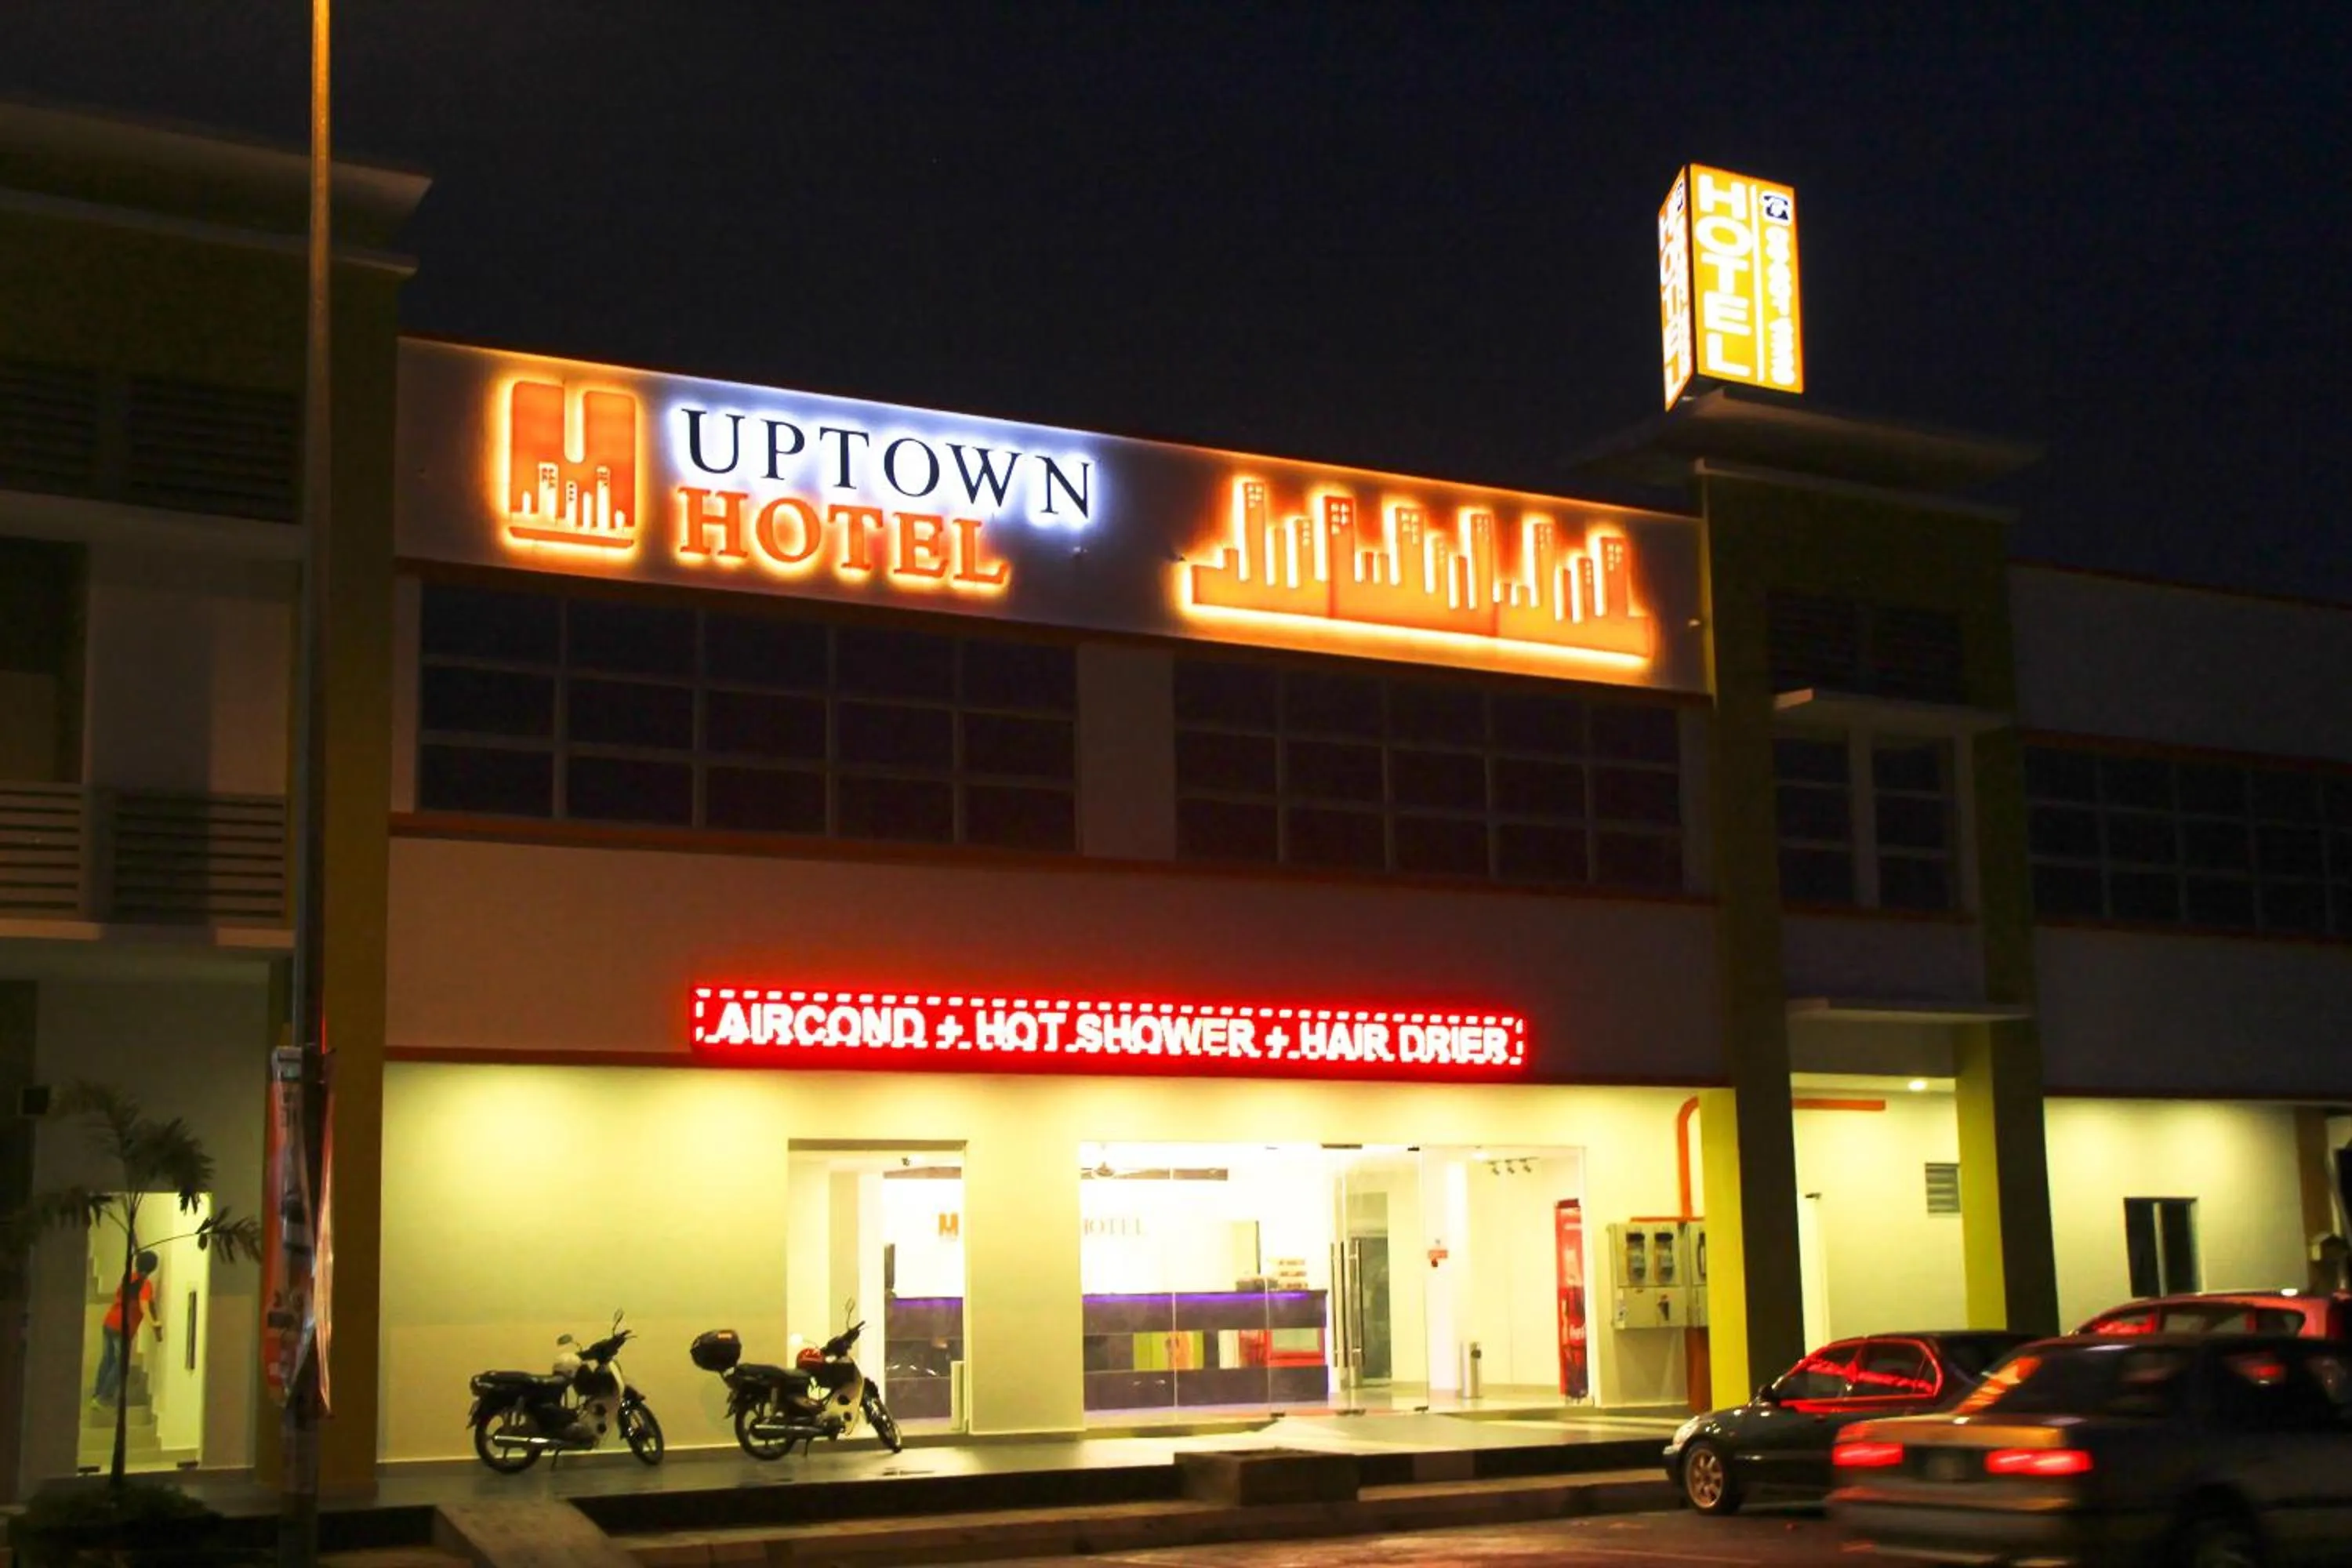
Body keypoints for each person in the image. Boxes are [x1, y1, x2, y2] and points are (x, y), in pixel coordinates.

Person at [92, 1250, 163, 1407]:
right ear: (152, 1269)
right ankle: (103, 1397)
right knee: (121, 1363)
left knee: (108, 1359)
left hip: (110, 1321)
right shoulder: (145, 1285)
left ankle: (97, 1393)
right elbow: (144, 1306)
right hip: (123, 1328)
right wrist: (154, 1324)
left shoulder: (129, 1277)